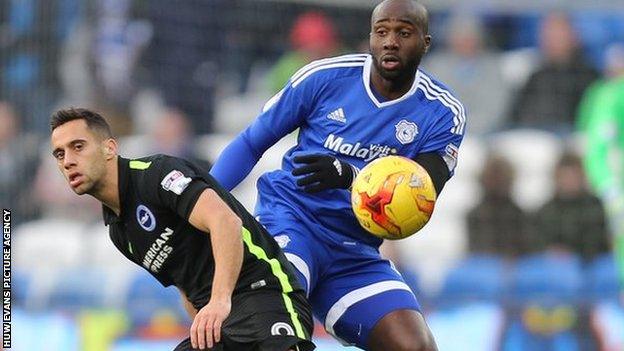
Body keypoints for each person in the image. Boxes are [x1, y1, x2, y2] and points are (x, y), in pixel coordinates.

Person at [210, 1, 466, 349]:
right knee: (279, 316)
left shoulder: (441, 112)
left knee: (415, 346)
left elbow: (423, 190)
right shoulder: (324, 78)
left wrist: (351, 176)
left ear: (425, 42)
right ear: (371, 38)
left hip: (354, 251)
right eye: (382, 32)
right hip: (291, 221)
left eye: (404, 33)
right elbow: (251, 143)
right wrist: (203, 201)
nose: (391, 41)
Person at [49, 107, 315, 351]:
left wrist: (220, 301)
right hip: (219, 321)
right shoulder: (119, 233)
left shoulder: (157, 175)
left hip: (262, 295)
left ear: (109, 148)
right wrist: (202, 324)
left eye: (78, 147)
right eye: (60, 154)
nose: (68, 161)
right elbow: (184, 285)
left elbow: (225, 222)